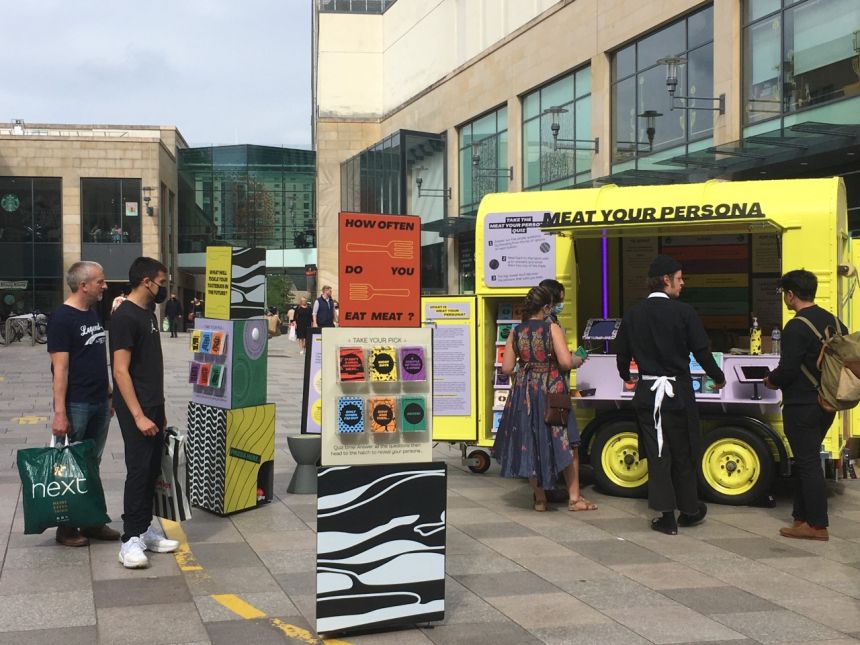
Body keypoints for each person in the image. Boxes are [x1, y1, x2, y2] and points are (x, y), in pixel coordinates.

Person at [616, 255, 726, 535]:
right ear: (666, 280)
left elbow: (622, 354)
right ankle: (690, 509)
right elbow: (701, 351)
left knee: (657, 453)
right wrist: (717, 376)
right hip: (678, 392)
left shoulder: (633, 313)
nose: (683, 283)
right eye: (680, 278)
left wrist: (625, 375)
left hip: (648, 393)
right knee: (683, 451)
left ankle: (667, 516)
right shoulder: (684, 312)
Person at [493, 286, 594, 512]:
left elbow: (508, 368)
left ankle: (539, 499)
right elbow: (566, 363)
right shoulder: (552, 329)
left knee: (531, 442)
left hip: (525, 393)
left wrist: (527, 365)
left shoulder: (516, 331)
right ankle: (574, 498)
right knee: (568, 443)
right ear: (547, 307)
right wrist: (578, 358)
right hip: (551, 392)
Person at [764, 269, 845, 541]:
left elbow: (787, 370)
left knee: (807, 462)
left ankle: (817, 525)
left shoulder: (796, 327)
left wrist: (770, 381)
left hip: (802, 404)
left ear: (791, 295)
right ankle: (802, 517)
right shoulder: (834, 321)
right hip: (826, 402)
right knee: (804, 459)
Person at [110, 257, 179, 568]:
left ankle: (144, 528)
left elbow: (150, 366)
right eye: (162, 283)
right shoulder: (125, 317)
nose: (164, 288)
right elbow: (121, 371)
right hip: (136, 408)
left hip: (153, 404)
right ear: (146, 281)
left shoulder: (149, 312)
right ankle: (130, 540)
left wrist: (159, 408)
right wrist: (138, 414)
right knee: (138, 471)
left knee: (152, 469)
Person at [47, 261, 120, 547]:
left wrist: (108, 390)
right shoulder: (62, 318)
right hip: (76, 404)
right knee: (69, 465)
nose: (105, 286)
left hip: (99, 401)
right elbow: (60, 369)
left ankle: (92, 521)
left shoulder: (92, 313)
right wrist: (59, 413)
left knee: (91, 463)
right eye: (100, 281)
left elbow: (95, 355)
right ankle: (66, 527)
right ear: (83, 285)